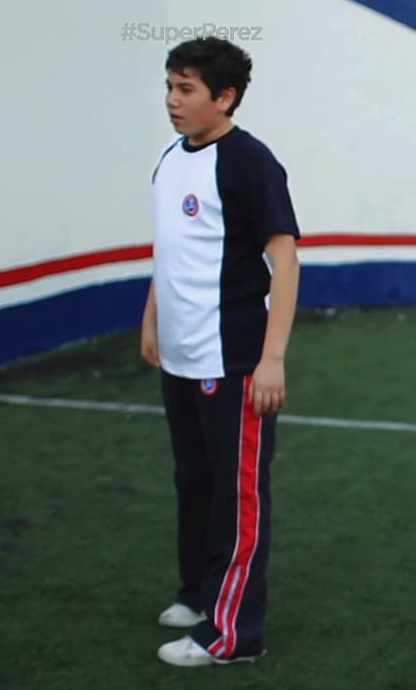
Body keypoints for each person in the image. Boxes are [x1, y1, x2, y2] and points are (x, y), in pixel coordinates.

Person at [139, 36, 301, 667]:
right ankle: (198, 595)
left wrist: (273, 357)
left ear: (224, 97)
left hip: (233, 358)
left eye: (186, 90)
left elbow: (284, 260)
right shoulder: (170, 157)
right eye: (170, 87)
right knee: (194, 481)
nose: (172, 102)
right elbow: (172, 247)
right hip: (179, 355)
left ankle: (234, 635)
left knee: (239, 496)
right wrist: (153, 317)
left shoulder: (250, 162)